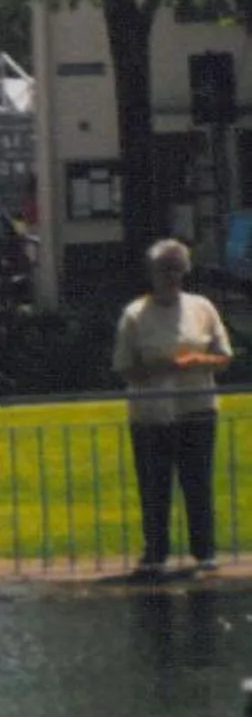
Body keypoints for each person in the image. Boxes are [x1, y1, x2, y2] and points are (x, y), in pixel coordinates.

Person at [112, 237, 231, 577]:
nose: (172, 276)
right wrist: (161, 368)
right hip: (151, 415)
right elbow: (124, 367)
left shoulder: (203, 308)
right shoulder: (135, 315)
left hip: (197, 408)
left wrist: (197, 359)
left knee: (198, 483)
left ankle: (204, 551)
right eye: (165, 270)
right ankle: (155, 553)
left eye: (177, 269)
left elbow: (224, 358)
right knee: (154, 486)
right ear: (152, 273)